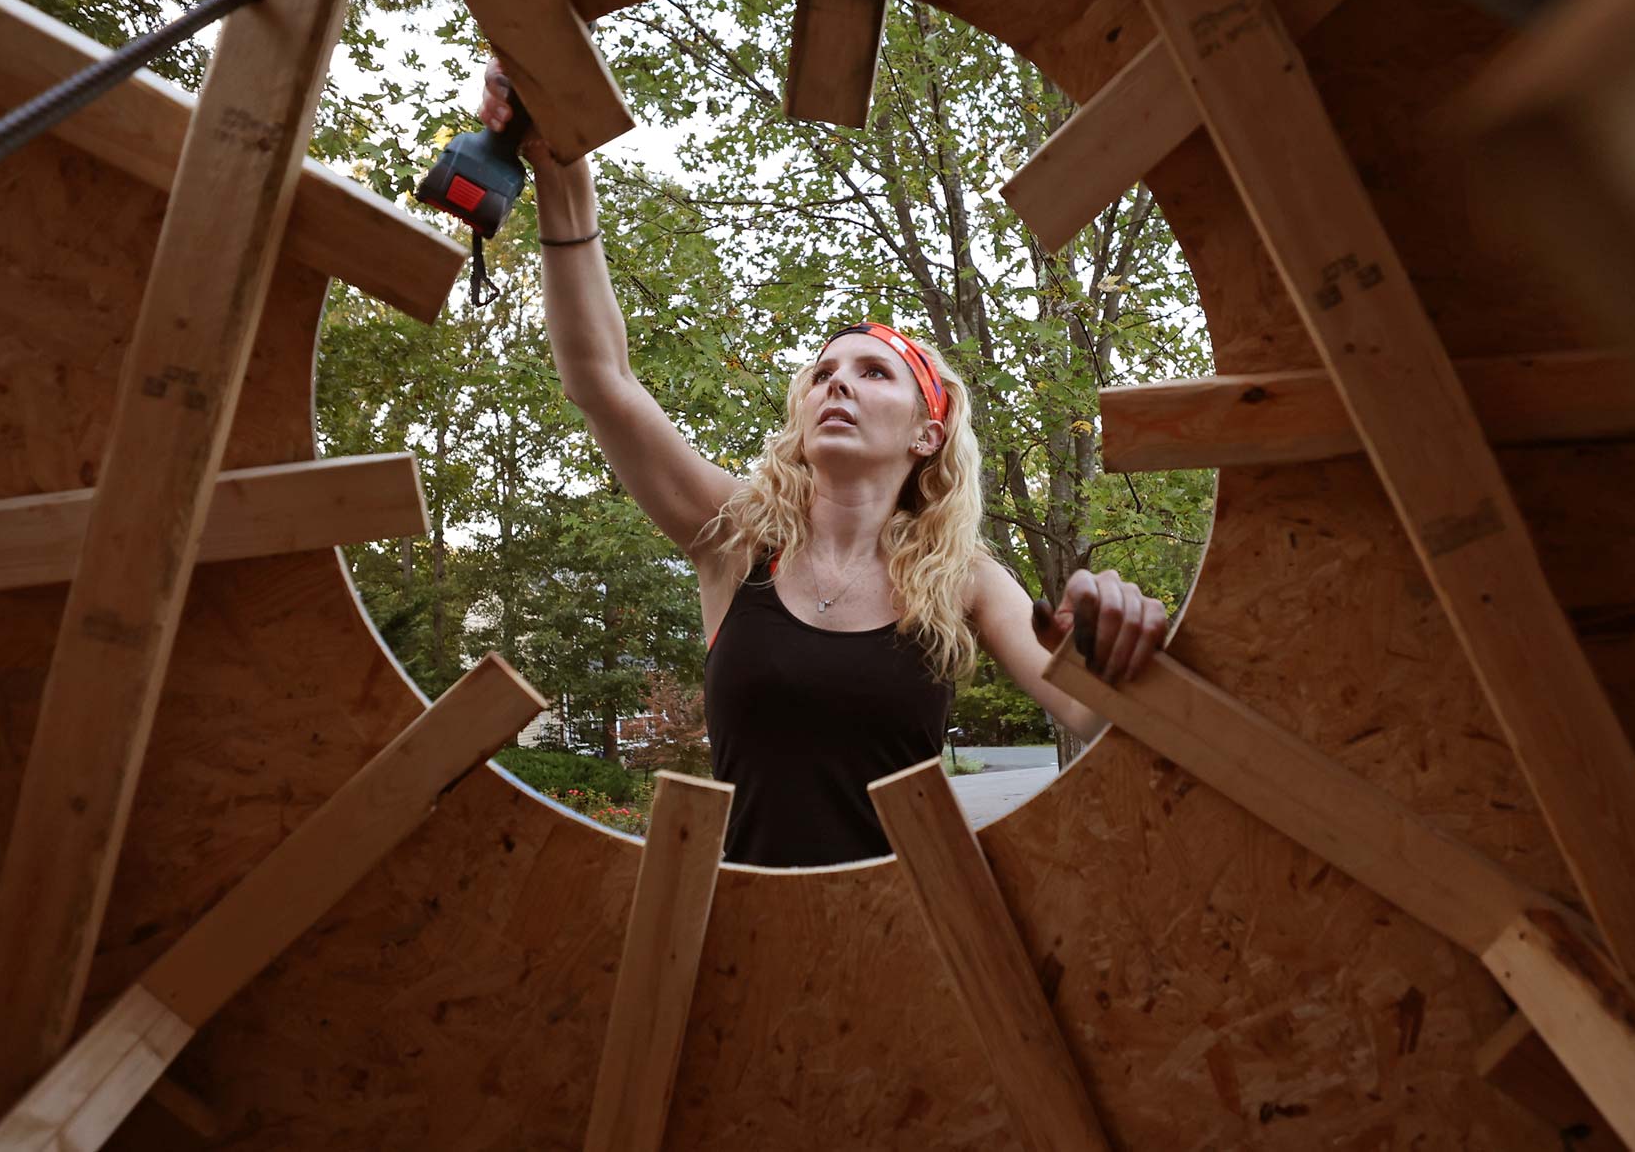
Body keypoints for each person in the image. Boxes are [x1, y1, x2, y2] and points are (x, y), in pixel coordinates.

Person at [482, 62, 1168, 867]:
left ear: (927, 435)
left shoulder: (965, 579)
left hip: (908, 943)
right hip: (734, 941)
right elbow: (602, 381)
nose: (837, 379)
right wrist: (562, 171)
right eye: (822, 372)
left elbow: (1090, 713)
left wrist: (1113, 650)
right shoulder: (737, 538)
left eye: (875, 373)